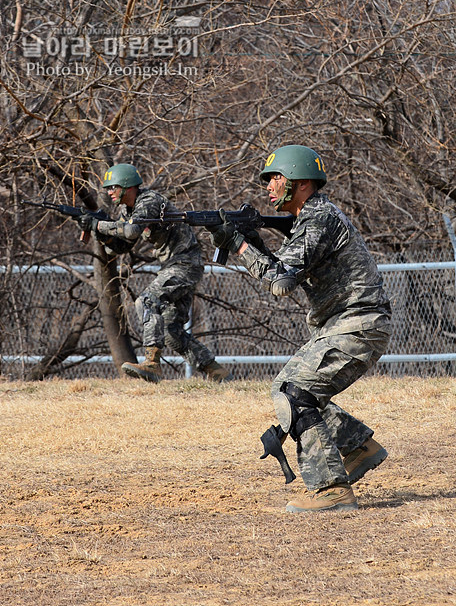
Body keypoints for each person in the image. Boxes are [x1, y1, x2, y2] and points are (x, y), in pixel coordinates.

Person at [207, 145, 392, 513]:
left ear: (302, 182)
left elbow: (281, 282)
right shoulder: (311, 217)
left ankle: (330, 490)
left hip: (358, 323)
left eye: (277, 177)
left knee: (295, 393)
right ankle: (357, 448)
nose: (269, 186)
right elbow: (283, 266)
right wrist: (255, 242)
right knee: (289, 389)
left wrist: (240, 244)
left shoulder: (317, 219)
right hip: (347, 324)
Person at [79, 164, 231, 383]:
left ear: (127, 186)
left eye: (112, 187)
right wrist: (96, 230)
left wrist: (99, 224)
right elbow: (120, 247)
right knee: (171, 333)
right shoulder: (127, 210)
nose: (109, 192)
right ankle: (217, 372)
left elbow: (131, 231)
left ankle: (152, 364)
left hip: (185, 264)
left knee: (147, 302)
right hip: (174, 266)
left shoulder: (149, 201)